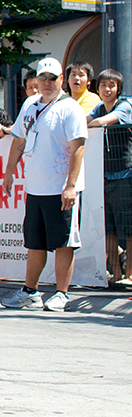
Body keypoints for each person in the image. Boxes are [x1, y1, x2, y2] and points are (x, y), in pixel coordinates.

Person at [1, 58, 87, 311]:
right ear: (36, 81)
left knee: (63, 242)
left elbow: (78, 148)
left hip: (60, 188)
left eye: (53, 78)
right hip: (35, 187)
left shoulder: (70, 108)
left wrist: (70, 185)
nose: (47, 83)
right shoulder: (29, 104)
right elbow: (19, 139)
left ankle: (61, 294)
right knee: (34, 242)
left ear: (62, 80)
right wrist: (9, 172)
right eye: (43, 78)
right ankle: (30, 292)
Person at [87, 68, 132, 283]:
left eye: (112, 85)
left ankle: (130, 275)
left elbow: (103, 121)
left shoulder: (124, 106)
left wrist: (88, 122)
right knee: (109, 230)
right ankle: (115, 273)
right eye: (104, 85)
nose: (107, 89)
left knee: (129, 229)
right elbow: (86, 119)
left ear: (118, 89)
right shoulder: (98, 107)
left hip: (125, 175)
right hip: (103, 177)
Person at [0, 70, 38, 142]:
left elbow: (19, 129)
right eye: (30, 88)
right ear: (25, 91)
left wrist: (4, 130)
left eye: (37, 86)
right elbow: (18, 125)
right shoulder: (27, 106)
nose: (35, 90)